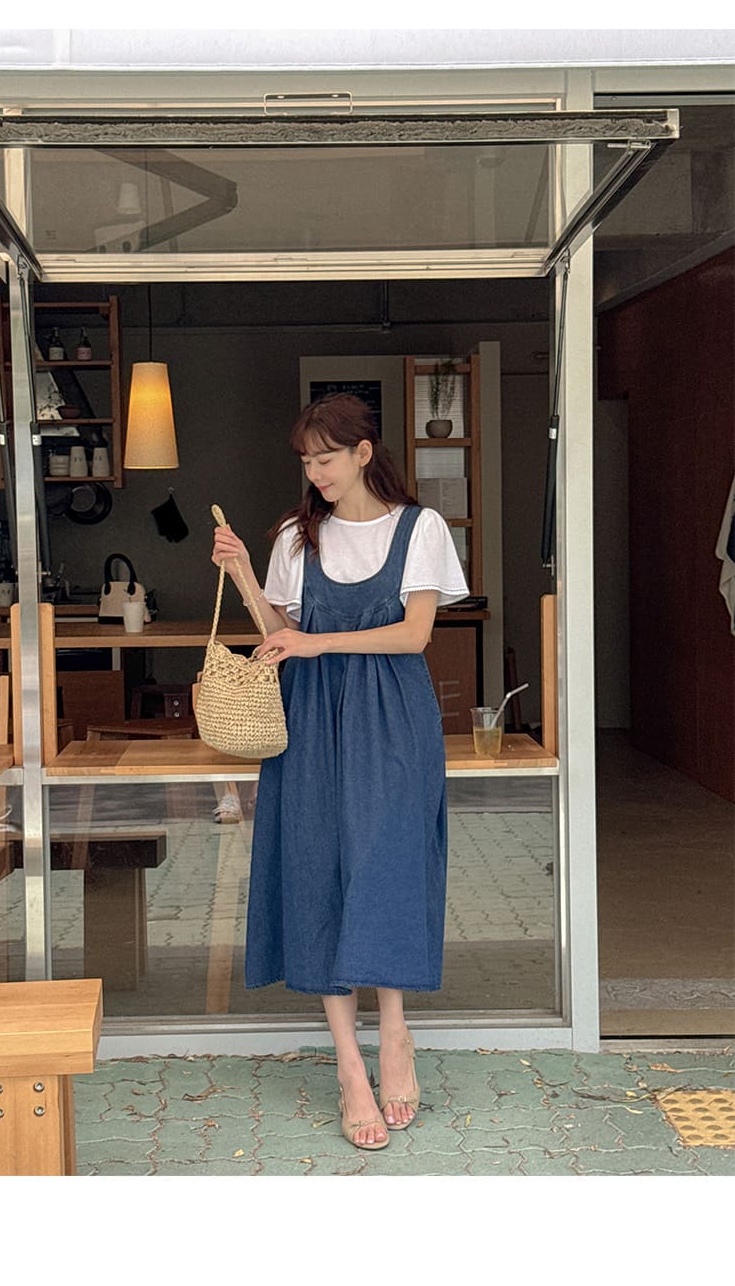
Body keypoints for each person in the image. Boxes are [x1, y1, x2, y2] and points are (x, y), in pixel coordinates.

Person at [211, 393, 468, 1149]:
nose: (315, 472)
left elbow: (415, 635)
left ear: (362, 452)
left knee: (387, 866)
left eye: (326, 458)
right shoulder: (298, 537)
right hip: (312, 718)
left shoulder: (420, 529)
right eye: (306, 461)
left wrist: (317, 644)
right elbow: (280, 633)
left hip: (394, 718)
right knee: (318, 869)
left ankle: (395, 1035)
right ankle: (351, 1067)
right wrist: (246, 573)